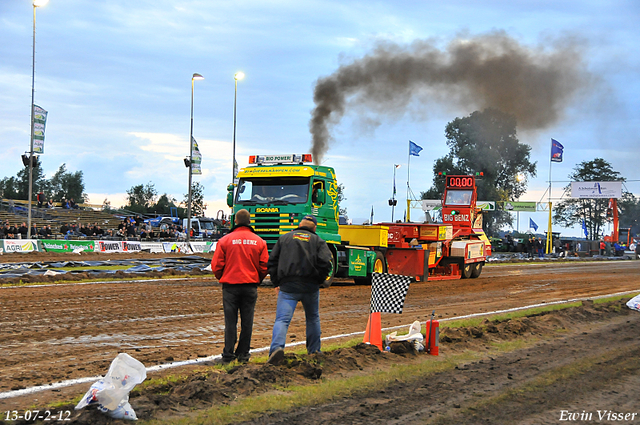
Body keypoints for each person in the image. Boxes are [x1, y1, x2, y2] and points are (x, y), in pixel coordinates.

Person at [266, 214, 333, 365]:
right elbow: (327, 263)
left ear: (299, 225)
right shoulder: (318, 241)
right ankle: (314, 351)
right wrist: (319, 280)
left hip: (288, 286)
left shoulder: (284, 238)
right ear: (314, 228)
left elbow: (272, 262)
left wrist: (276, 282)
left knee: (282, 320)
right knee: (313, 318)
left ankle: (276, 349)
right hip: (310, 287)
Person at [211, 209, 268, 364]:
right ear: (250, 222)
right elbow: (264, 266)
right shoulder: (260, 241)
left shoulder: (225, 241)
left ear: (235, 221)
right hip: (250, 286)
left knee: (230, 322)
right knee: (247, 321)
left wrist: (222, 277)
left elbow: (216, 265)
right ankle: (243, 354)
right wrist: (257, 280)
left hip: (230, 286)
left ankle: (228, 355)